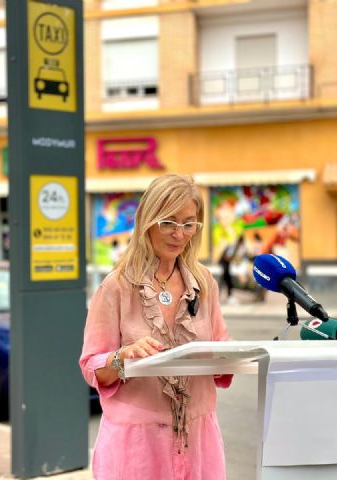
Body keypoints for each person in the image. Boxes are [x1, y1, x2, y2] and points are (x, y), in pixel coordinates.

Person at [79, 174, 233, 480]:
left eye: (189, 224)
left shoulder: (204, 283)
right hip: (137, 449)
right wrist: (123, 357)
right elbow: (91, 367)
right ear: (147, 221)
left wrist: (228, 357)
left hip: (199, 443)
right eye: (168, 222)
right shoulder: (117, 286)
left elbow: (223, 353)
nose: (179, 234)